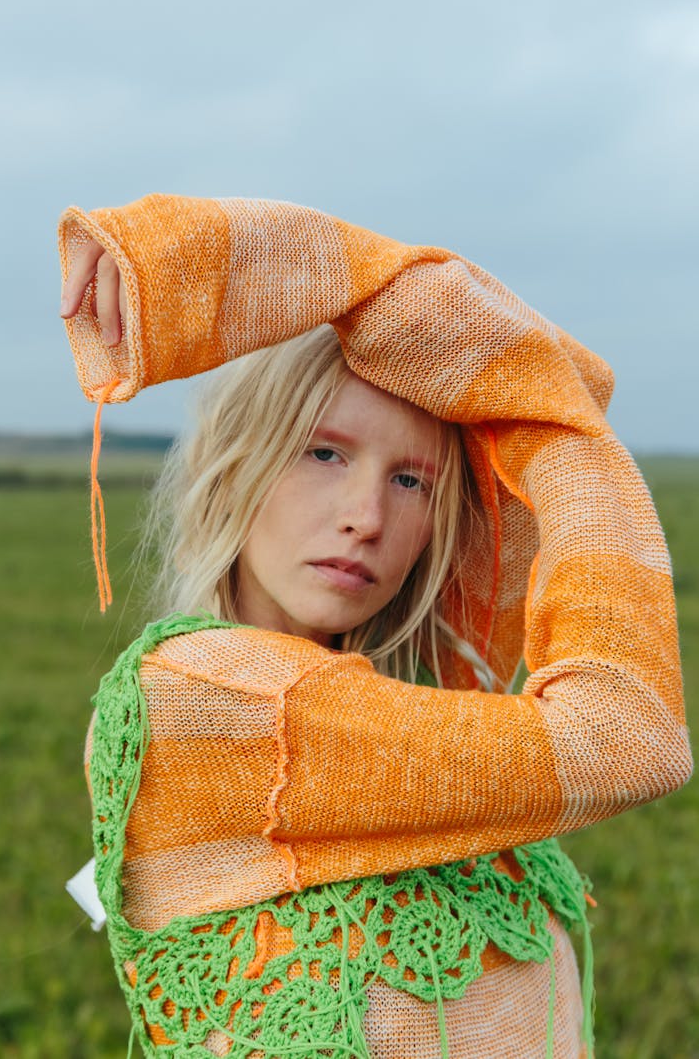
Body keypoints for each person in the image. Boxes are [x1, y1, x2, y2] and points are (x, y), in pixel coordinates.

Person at [59, 194, 692, 1059]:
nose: (366, 515)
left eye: (413, 480)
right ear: (231, 464)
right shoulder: (199, 707)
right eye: (324, 452)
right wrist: (561, 431)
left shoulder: (402, 709)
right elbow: (625, 735)